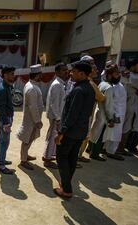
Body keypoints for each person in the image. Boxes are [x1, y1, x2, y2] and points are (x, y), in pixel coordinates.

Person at [54, 61, 95, 199]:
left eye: (74, 71)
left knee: (61, 157)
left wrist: (61, 132)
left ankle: (66, 189)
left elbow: (72, 114)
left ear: (82, 74)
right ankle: (65, 184)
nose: (70, 73)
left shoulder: (78, 90)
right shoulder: (89, 88)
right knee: (71, 159)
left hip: (71, 132)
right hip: (80, 131)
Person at [88, 64, 125, 161]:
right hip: (104, 115)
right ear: (109, 75)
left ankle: (89, 149)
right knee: (100, 136)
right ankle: (94, 154)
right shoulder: (109, 88)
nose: (118, 76)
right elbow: (108, 106)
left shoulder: (102, 83)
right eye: (116, 74)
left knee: (94, 132)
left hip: (99, 112)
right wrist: (110, 119)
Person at [77, 55, 105, 165]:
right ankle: (76, 157)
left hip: (87, 115)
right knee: (82, 137)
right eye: (93, 64)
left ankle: (78, 155)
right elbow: (101, 97)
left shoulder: (90, 82)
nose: (96, 68)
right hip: (84, 116)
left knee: (84, 137)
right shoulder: (89, 83)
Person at [118, 58, 138, 155]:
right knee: (127, 128)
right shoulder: (134, 77)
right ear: (132, 66)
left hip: (123, 103)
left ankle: (118, 147)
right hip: (131, 105)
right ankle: (120, 148)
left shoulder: (123, 74)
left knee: (121, 126)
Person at [17, 64, 44, 170]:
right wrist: (37, 121)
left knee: (29, 138)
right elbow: (33, 106)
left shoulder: (31, 85)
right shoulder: (31, 88)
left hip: (31, 119)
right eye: (40, 74)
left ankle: (25, 155)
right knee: (27, 139)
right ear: (37, 76)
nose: (42, 76)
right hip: (31, 120)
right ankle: (23, 161)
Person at [43, 62, 69, 169]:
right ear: (57, 72)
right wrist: (58, 119)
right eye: (63, 70)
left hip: (57, 115)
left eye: (66, 70)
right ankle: (47, 160)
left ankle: (47, 156)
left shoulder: (60, 83)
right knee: (53, 137)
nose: (66, 72)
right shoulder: (57, 84)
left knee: (53, 136)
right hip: (56, 116)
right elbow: (54, 104)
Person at [0, 66, 16, 174]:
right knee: (4, 142)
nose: (13, 75)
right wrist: (6, 123)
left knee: (1, 139)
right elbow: (1, 108)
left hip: (5, 118)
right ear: (5, 75)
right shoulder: (3, 89)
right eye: (11, 74)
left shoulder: (7, 86)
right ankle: (1, 166)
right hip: (4, 119)